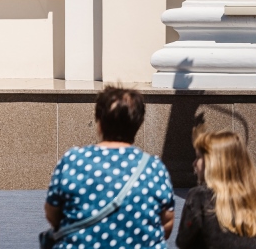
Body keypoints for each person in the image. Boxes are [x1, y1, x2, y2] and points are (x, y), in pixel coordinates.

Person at [44, 86, 175, 248]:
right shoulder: (154, 168)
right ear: (138, 124)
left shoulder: (73, 160)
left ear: (99, 124)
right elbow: (167, 221)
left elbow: (52, 213)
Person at [175, 130, 256, 248]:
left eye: (198, 157)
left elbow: (183, 241)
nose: (194, 163)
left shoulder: (199, 197)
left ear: (213, 162)